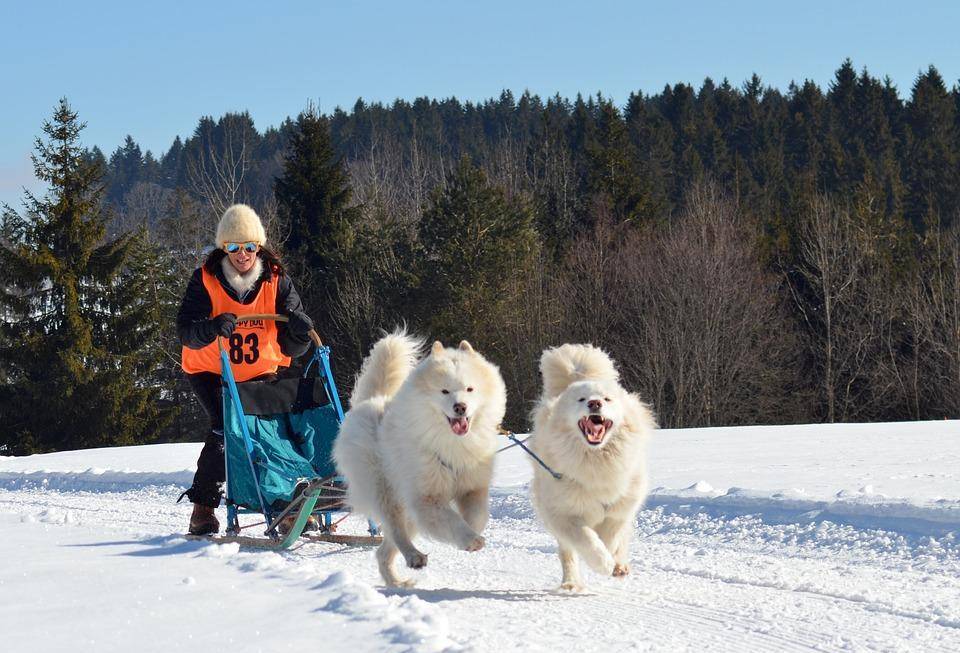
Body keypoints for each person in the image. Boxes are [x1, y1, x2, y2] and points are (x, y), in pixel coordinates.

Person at [177, 204, 314, 535]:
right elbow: (186, 330)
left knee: (269, 430)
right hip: (211, 369)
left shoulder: (277, 280)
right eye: (234, 247)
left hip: (259, 370)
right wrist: (211, 327)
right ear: (224, 248)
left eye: (250, 247)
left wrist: (298, 334)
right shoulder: (205, 280)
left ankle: (284, 503)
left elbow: (293, 344)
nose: (243, 255)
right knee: (225, 427)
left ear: (259, 247)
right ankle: (203, 508)